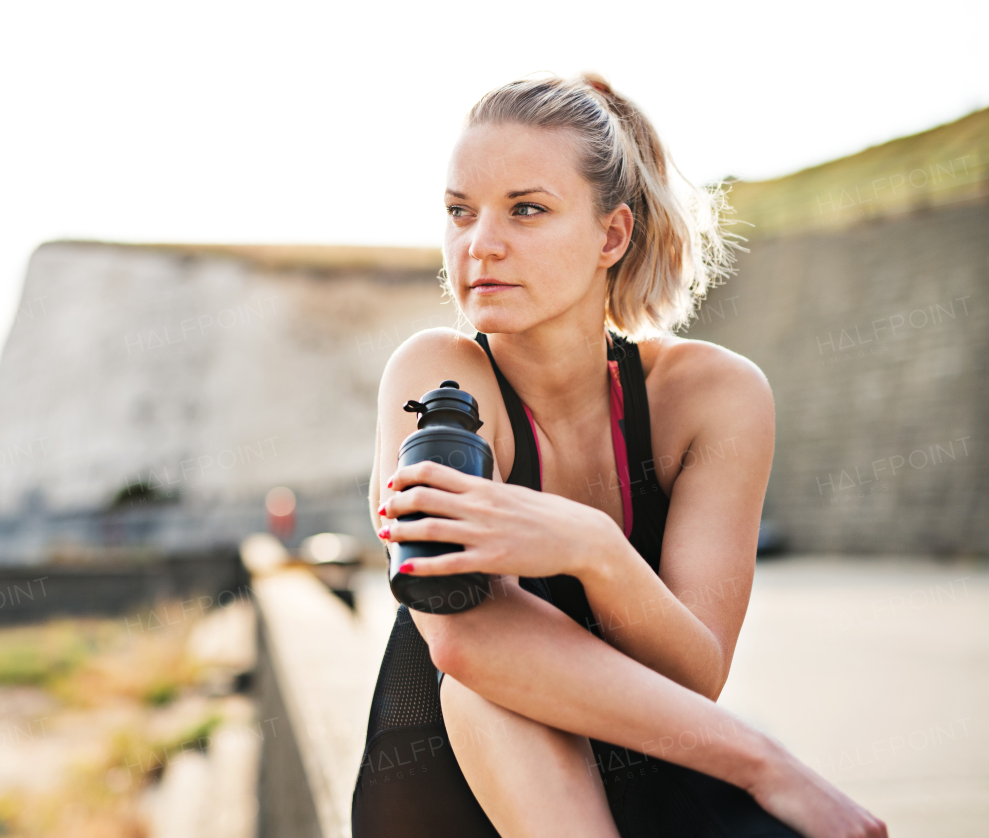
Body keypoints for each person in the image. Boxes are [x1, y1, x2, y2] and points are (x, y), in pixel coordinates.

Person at [352, 73, 887, 838]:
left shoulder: (711, 396)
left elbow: (692, 676)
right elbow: (464, 636)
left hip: (647, 761)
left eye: (526, 210)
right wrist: (768, 762)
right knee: (491, 681)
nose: (480, 244)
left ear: (612, 235)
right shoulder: (438, 376)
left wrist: (594, 549)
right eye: (458, 212)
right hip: (451, 785)